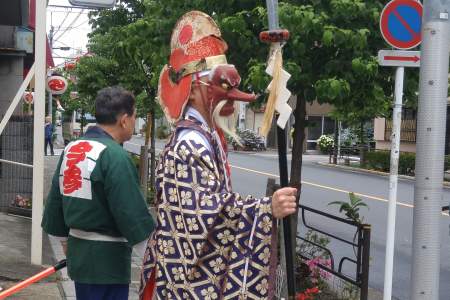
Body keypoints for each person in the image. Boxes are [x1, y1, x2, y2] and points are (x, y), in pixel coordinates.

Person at [139, 11, 297, 299]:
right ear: (196, 88)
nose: (230, 102)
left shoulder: (206, 136)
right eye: (222, 90)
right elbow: (202, 216)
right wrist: (264, 209)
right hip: (180, 281)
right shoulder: (189, 146)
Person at [42, 86, 155, 300]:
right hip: (108, 262)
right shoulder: (115, 156)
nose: (134, 122)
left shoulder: (73, 148)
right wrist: (153, 261)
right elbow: (131, 213)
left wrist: (66, 244)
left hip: (79, 255)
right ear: (124, 119)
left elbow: (55, 203)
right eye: (134, 116)